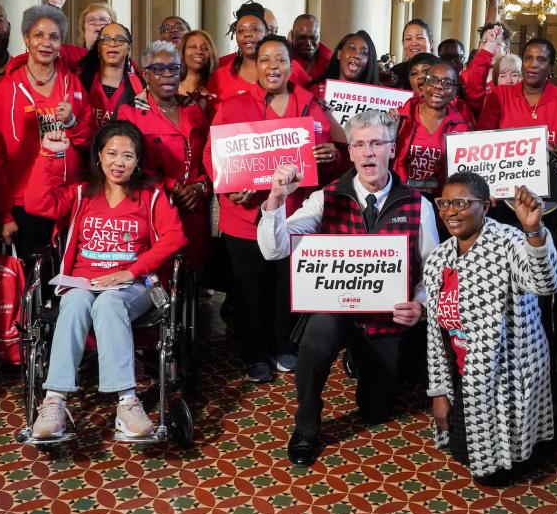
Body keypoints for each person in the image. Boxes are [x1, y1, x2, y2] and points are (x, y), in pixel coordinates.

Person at [257, 110, 440, 467]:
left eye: (376, 143)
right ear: (351, 153)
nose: (368, 153)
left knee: (375, 410)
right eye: (359, 144)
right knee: (315, 339)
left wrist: (420, 305)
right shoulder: (324, 199)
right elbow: (274, 248)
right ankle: (306, 424)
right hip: (337, 309)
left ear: (392, 149)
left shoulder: (418, 204)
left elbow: (432, 271)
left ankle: (361, 358)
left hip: (386, 318)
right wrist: (276, 199)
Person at [24, 121, 186, 440]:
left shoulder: (151, 195)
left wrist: (131, 271)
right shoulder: (84, 193)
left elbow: (175, 237)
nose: (118, 162)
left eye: (127, 155)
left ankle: (126, 403)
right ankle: (54, 402)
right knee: (72, 301)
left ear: (138, 161)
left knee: (110, 302)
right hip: (85, 281)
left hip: (136, 284)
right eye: (111, 153)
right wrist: (47, 155)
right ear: (99, 156)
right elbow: (36, 204)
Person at [203, 35, 338, 383]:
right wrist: (231, 188)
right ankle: (254, 354)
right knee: (251, 289)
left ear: (291, 66)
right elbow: (212, 156)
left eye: (280, 59)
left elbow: (324, 158)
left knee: (287, 286)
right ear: (255, 66)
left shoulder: (309, 104)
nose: (272, 67)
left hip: (293, 215)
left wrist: (330, 156)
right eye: (265, 60)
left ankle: (284, 347)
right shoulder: (233, 106)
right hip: (246, 215)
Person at [425, 174, 557, 481]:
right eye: (444, 203)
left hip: (509, 374)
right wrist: (439, 392)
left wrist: (534, 231)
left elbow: (547, 283)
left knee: (493, 477)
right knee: (461, 451)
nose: (450, 211)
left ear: (485, 207)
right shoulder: (438, 259)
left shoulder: (510, 242)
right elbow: (436, 337)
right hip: (466, 371)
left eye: (461, 203)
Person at [0, 5, 94, 259]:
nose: (46, 43)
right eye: (39, 35)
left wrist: (71, 122)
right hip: (26, 202)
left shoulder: (74, 84)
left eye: (54, 37)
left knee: (68, 277)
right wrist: (4, 215)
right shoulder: (7, 90)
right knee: (35, 282)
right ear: (26, 39)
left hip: (70, 198)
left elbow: (89, 140)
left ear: (61, 44)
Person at [120, 41, 210, 267]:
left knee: (192, 275)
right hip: (154, 206)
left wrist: (200, 186)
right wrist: (173, 186)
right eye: (158, 69)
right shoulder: (130, 112)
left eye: (174, 68)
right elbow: (127, 166)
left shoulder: (193, 109)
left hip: (194, 206)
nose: (167, 74)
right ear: (145, 76)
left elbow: (209, 156)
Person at [477, 37, 557, 152]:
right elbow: (482, 139)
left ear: (550, 68)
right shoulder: (501, 95)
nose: (533, 64)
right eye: (528, 58)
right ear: (522, 65)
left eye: (541, 60)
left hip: (554, 167)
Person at [207, 1, 308, 115]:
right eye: (241, 30)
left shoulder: (290, 68)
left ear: (267, 33)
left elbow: (309, 101)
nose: (247, 34)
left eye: (255, 29)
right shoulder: (220, 77)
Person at [393, 59, 472, 195]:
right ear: (423, 86)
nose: (438, 86)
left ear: (454, 92)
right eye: (432, 80)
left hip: (439, 201)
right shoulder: (401, 117)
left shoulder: (461, 128)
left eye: (447, 83)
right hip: (399, 195)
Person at [77, 22, 143, 123]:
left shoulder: (139, 86)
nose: (112, 44)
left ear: (128, 50)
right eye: (106, 39)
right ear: (99, 47)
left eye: (120, 40)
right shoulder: (82, 79)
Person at [308, 30, 379, 98]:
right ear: (339, 54)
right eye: (351, 48)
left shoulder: (378, 98)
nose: (357, 55)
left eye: (364, 53)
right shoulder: (317, 92)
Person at [177, 28, 217, 111]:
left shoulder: (215, 89)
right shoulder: (169, 87)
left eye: (205, 48)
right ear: (182, 52)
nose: (199, 51)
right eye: (192, 46)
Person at [289, 14, 333, 82]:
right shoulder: (283, 56)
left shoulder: (328, 59)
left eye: (313, 38)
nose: (308, 43)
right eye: (302, 38)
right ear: (292, 36)